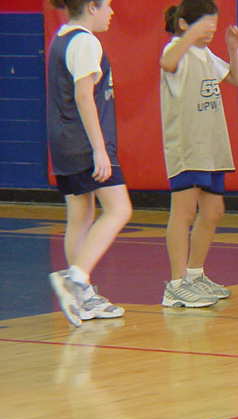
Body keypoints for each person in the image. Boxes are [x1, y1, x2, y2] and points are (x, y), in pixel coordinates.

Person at [47, 0, 132, 327]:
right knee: (119, 209)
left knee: (81, 215)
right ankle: (76, 279)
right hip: (84, 143)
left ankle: (82, 296)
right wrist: (99, 149)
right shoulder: (85, 41)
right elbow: (84, 96)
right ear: (91, 7)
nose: (112, 12)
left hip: (63, 143)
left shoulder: (61, 37)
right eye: (107, 5)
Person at [160, 0, 238, 308]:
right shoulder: (176, 50)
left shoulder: (205, 54)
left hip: (212, 146)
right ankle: (176, 285)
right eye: (205, 25)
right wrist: (188, 36)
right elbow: (167, 62)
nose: (210, 31)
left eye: (213, 26)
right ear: (185, 24)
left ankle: (195, 275)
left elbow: (237, 79)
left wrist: (232, 48)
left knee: (213, 212)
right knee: (183, 213)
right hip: (187, 146)